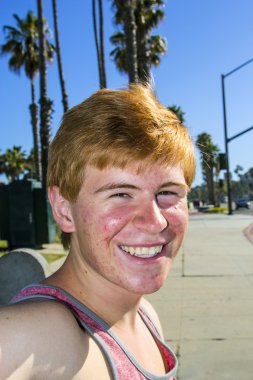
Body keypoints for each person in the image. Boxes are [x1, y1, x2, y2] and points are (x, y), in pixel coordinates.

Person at [0, 83, 196, 380]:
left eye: (168, 193)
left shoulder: (145, 315)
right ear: (65, 210)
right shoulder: (32, 334)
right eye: (120, 194)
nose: (156, 221)